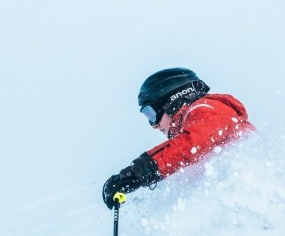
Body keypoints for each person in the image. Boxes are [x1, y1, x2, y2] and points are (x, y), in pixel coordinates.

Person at [102, 67, 255, 209]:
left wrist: (135, 174)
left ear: (172, 101)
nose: (153, 125)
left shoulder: (207, 108)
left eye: (151, 114)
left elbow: (189, 145)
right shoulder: (197, 122)